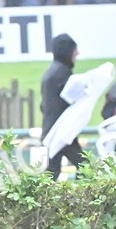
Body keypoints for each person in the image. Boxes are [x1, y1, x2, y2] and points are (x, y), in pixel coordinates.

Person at [41, 33, 86, 179]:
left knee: (52, 173)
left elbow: (44, 106)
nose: (77, 53)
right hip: (62, 132)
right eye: (74, 50)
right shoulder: (63, 74)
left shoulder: (51, 73)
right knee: (85, 168)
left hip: (53, 130)